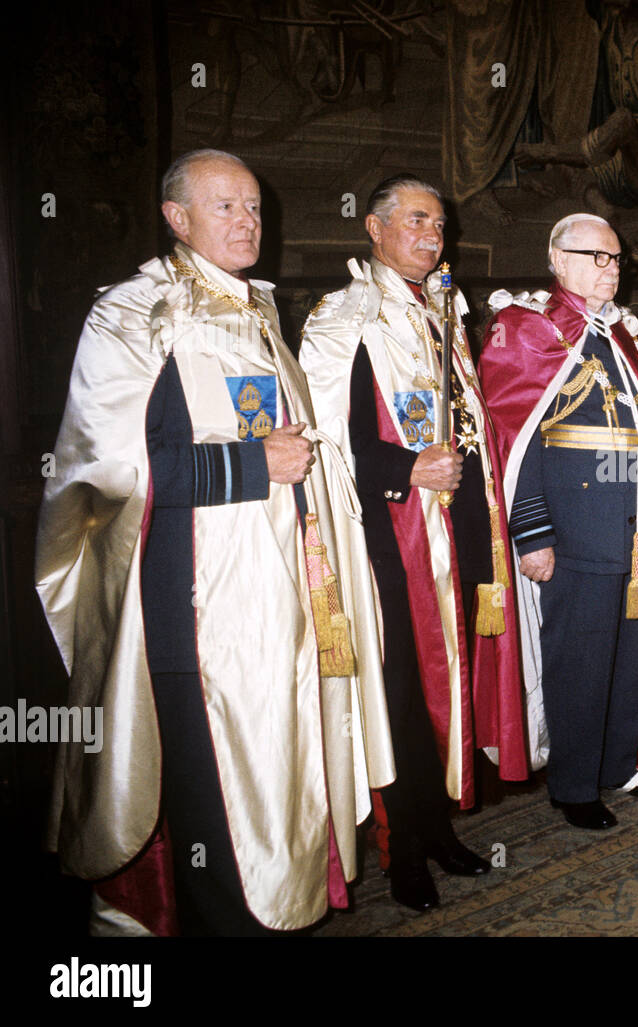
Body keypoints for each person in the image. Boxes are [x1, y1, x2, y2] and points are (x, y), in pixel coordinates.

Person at [34, 149, 393, 935]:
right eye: (225, 206)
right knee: (209, 799)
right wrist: (247, 464)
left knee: (268, 778)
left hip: (278, 601)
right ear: (177, 217)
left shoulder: (260, 310)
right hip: (187, 612)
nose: (247, 221)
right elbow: (106, 473)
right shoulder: (134, 313)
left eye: (255, 207)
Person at [299, 175, 530, 910]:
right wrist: (406, 468)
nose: (434, 235)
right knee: (398, 692)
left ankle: (436, 826)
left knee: (445, 680)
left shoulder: (442, 310)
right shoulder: (345, 317)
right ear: (374, 227)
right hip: (386, 536)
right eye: (417, 220)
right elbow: (328, 441)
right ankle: (401, 850)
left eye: (440, 224)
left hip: (455, 523)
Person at [478, 213, 638, 830]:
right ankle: (573, 784)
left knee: (627, 656)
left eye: (617, 259)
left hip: (635, 523)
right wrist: (533, 533)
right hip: (575, 527)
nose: (612, 268)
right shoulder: (529, 329)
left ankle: (619, 761)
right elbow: (514, 442)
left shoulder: (621, 333)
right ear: (558, 259)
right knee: (580, 661)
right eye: (598, 257)